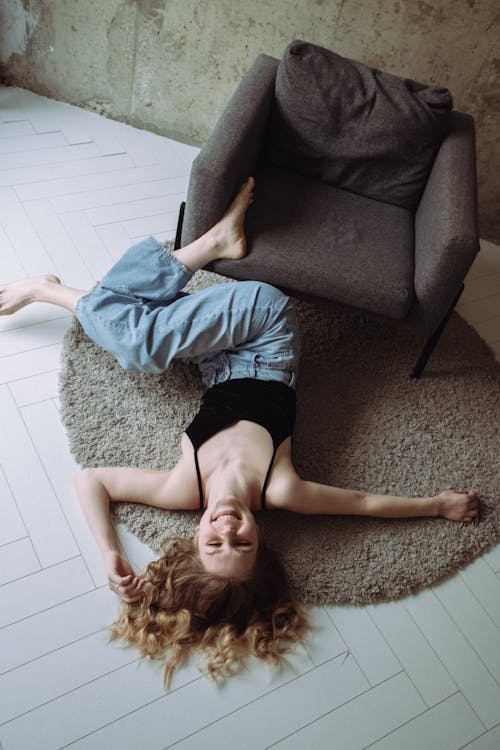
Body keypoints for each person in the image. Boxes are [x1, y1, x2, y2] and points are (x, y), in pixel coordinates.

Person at [0, 176, 478, 686]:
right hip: (265, 328)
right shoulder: (282, 488)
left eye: (214, 545)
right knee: (137, 342)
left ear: (194, 539)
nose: (228, 529)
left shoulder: (183, 489)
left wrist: (109, 551)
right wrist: (437, 505)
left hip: (214, 359)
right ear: (262, 539)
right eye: (242, 545)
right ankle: (77, 282)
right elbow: (362, 504)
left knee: (128, 324)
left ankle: (165, 259)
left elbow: (90, 479)